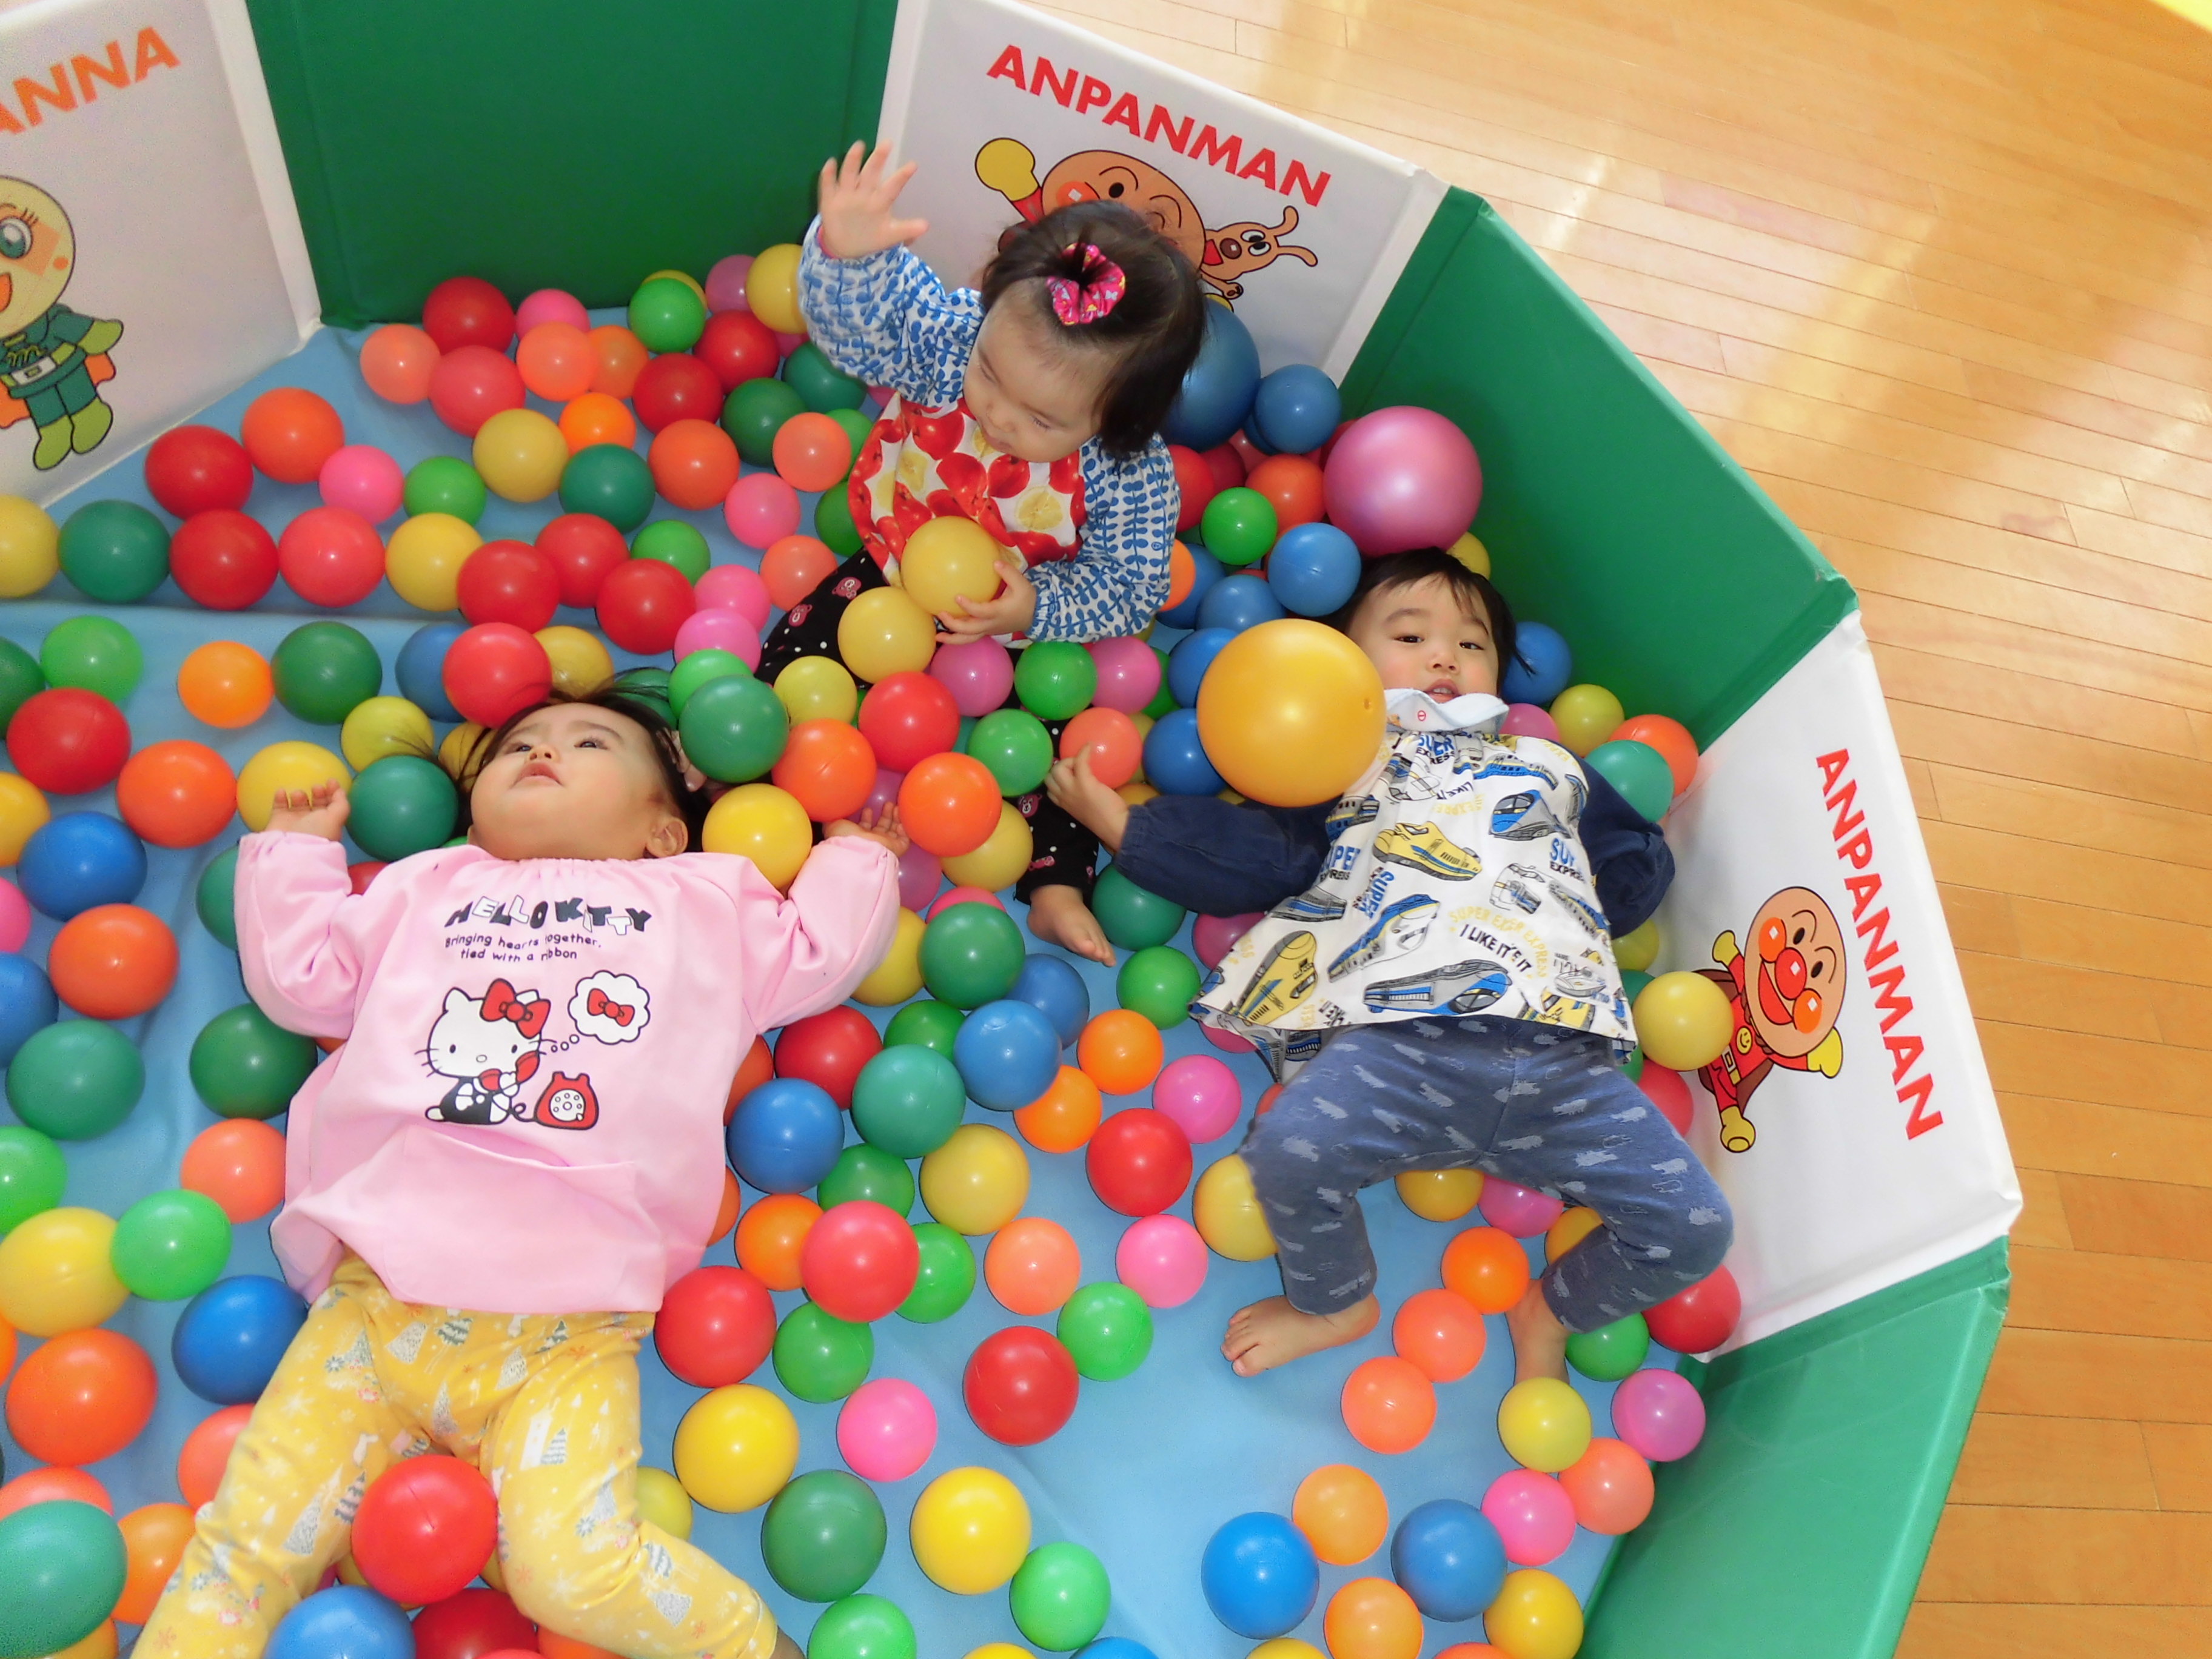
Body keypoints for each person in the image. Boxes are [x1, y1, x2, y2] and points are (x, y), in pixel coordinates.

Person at [138, 685, 904, 1659]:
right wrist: (296, 859)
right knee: (244, 1548)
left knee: (572, 1574)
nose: (543, 752)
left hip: (571, 1322)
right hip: (379, 1300)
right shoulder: (427, 885)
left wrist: (856, 860)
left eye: (591, 744)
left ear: (664, 831)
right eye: (518, 747)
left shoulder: (701, 898)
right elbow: (304, 985)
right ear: (474, 817)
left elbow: (816, 956)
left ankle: (753, 1647)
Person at [1045, 548, 1733, 1380]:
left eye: (1472, 645)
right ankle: (1335, 1300)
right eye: (1410, 637)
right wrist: (1125, 826)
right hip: (1403, 1046)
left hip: (1562, 1063)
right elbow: (1253, 854)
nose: (1445, 656)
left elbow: (1628, 861)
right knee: (1287, 1147)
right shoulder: (1350, 766)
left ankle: (1549, 1311)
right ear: (1344, 666)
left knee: (1696, 1228)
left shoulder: (1549, 764)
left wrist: (1598, 898)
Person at [761, 141, 1204, 953]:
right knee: (797, 649)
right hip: (896, 567)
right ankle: (765, 783)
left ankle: (1056, 885)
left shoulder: (1127, 471)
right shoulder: (950, 342)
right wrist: (849, 258)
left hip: (1018, 630)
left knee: (1059, 751)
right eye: (993, 377)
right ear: (986, 309)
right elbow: (863, 335)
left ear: (1119, 422)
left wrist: (1036, 607)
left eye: (1042, 421)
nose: (998, 416)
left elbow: (1133, 584)